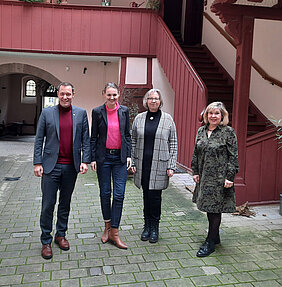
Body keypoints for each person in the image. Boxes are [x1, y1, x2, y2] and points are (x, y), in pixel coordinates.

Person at [33, 82, 91, 260]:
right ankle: (46, 240)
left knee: (65, 203)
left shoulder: (80, 114)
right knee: (48, 204)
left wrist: (85, 161)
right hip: (51, 166)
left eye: (68, 94)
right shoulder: (47, 113)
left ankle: (61, 235)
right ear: (57, 94)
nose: (65, 97)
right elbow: (38, 139)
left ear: (73, 94)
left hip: (71, 167)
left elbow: (85, 140)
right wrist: (37, 163)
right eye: (62, 94)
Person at [191, 101, 239, 257]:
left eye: (217, 113)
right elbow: (196, 153)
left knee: (215, 209)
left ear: (222, 116)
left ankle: (210, 242)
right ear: (206, 115)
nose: (213, 116)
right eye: (210, 113)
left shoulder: (228, 132)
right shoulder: (201, 131)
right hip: (204, 177)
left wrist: (230, 177)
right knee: (208, 207)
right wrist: (195, 171)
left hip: (219, 178)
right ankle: (215, 235)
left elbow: (233, 157)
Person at [131, 89, 178, 243]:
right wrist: (132, 161)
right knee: (146, 195)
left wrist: (171, 165)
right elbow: (133, 141)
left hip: (160, 164)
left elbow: (173, 143)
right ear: (146, 101)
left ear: (160, 101)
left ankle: (155, 227)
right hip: (143, 163)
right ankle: (146, 226)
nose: (153, 101)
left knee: (155, 197)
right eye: (150, 98)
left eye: (156, 98)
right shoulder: (139, 118)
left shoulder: (168, 119)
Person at [90, 82, 131, 249]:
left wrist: (128, 155)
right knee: (105, 193)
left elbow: (127, 134)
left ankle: (115, 231)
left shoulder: (124, 111)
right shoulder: (97, 112)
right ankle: (107, 226)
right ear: (104, 94)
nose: (112, 98)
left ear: (118, 94)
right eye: (109, 95)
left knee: (119, 195)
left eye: (114, 94)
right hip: (104, 158)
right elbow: (94, 137)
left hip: (119, 159)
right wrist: (92, 158)